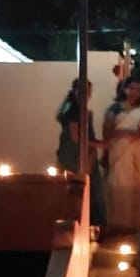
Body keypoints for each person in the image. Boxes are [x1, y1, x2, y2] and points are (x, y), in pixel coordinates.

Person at [103, 78, 140, 237]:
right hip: (121, 151)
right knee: (121, 185)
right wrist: (129, 133)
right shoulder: (114, 109)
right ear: (124, 90)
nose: (134, 92)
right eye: (131, 88)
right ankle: (120, 226)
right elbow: (108, 133)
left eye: (138, 89)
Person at [56, 79, 106, 227]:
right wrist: (101, 144)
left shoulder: (77, 109)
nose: (88, 94)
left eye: (89, 91)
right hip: (75, 157)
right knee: (81, 192)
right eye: (84, 90)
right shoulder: (74, 110)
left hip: (80, 155)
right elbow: (76, 138)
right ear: (76, 91)